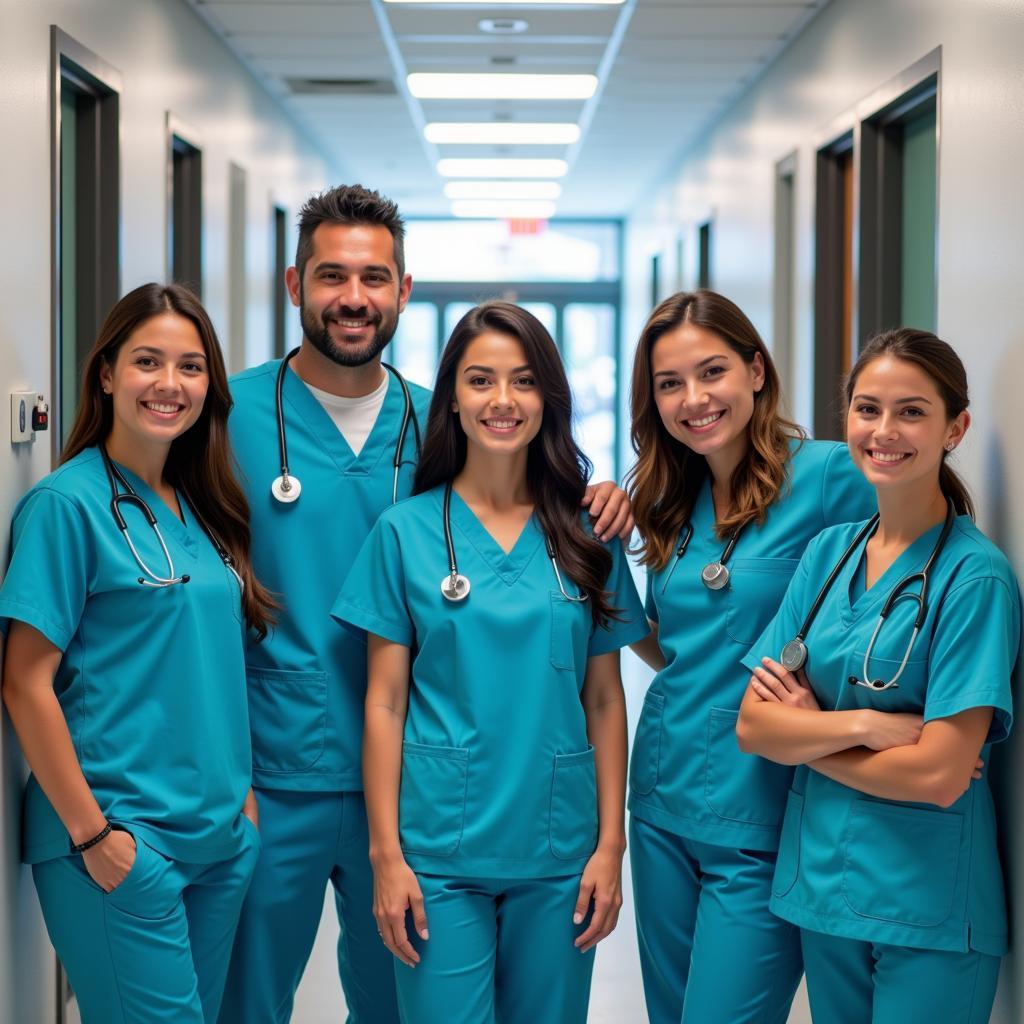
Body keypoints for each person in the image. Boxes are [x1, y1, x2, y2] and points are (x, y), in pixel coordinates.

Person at [220, 186, 634, 1024]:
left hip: (419, 785)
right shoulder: (227, 418)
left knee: (395, 1006)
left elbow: (516, 501)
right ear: (294, 282)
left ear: (404, 290)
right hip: (277, 767)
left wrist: (591, 494)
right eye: (331, 275)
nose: (353, 298)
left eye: (375, 277)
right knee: (249, 996)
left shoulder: (435, 423)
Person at [331, 301, 648, 1024]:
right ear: (453, 400)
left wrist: (610, 845)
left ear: (549, 399)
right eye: (480, 381)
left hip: (559, 850)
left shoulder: (586, 534)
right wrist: (386, 856)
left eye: (524, 381)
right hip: (437, 852)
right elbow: (384, 702)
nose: (503, 401)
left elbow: (605, 699)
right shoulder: (403, 532)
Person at [0, 283, 271, 1023]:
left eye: (190, 367)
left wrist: (240, 811)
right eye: (148, 361)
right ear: (108, 373)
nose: (169, 384)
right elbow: (25, 683)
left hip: (217, 839)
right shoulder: (67, 506)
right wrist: (94, 835)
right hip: (119, 842)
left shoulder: (203, 506)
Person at [737, 328, 1019, 1024]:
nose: (884, 432)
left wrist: (809, 737)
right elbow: (753, 725)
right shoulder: (831, 552)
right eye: (868, 409)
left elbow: (940, 775)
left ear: (956, 428)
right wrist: (867, 726)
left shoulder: (974, 578)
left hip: (927, 907)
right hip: (824, 893)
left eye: (912, 412)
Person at [624, 290, 876, 1024]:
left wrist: (924, 716)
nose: (693, 399)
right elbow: (670, 642)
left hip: (767, 806)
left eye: (712, 372)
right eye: (670, 384)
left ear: (756, 371)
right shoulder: (669, 496)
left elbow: (927, 563)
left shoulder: (830, 476)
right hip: (663, 799)